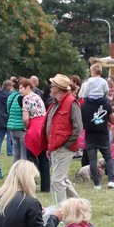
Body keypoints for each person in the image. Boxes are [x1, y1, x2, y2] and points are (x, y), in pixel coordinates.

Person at [45, 74, 82, 204]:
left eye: (52, 85)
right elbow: (52, 127)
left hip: (64, 148)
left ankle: (61, 212)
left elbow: (78, 128)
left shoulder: (71, 103)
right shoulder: (55, 103)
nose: (50, 88)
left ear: (57, 88)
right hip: (56, 148)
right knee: (63, 179)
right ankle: (79, 205)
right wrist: (50, 147)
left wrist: (66, 146)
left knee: (57, 181)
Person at [81, 93, 114, 189]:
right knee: (108, 158)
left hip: (90, 136)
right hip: (103, 135)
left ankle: (97, 184)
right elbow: (113, 120)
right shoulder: (106, 104)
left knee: (92, 160)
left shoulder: (84, 105)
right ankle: (111, 181)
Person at [18, 78, 49, 192]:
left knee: (31, 159)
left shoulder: (26, 99)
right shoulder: (38, 97)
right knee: (43, 159)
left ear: (28, 87)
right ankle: (46, 186)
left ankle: (32, 185)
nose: (20, 91)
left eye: (21, 88)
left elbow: (25, 118)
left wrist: (27, 127)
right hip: (42, 127)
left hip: (33, 128)